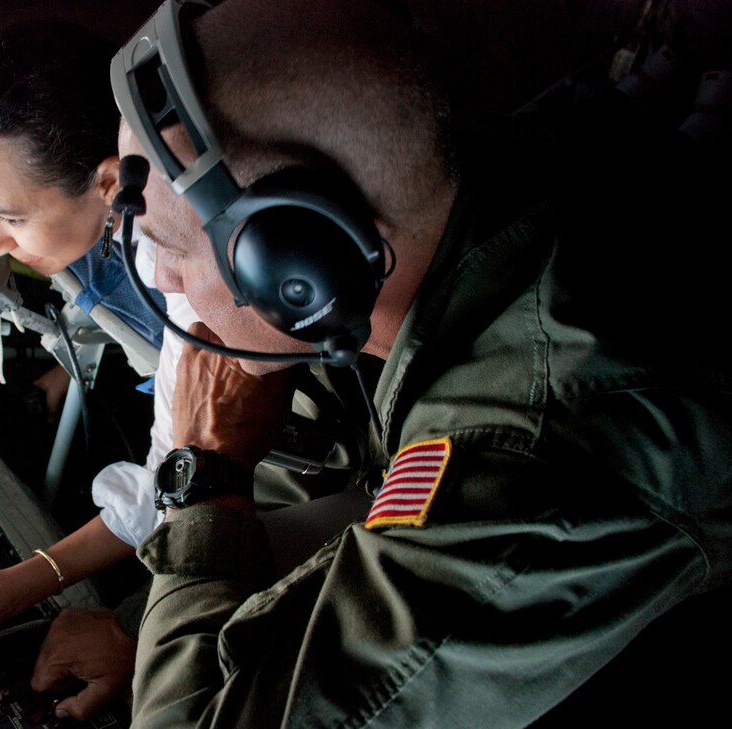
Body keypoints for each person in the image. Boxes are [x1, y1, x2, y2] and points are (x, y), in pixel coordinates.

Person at [112, 0, 732, 726]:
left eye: (172, 250)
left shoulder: (527, 455)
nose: (162, 281)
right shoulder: (475, 196)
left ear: (299, 261)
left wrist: (205, 475)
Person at [0, 16, 362, 722]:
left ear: (111, 182)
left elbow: (177, 479)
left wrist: (17, 586)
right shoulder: (128, 218)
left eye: (8, 216)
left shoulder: (189, 276)